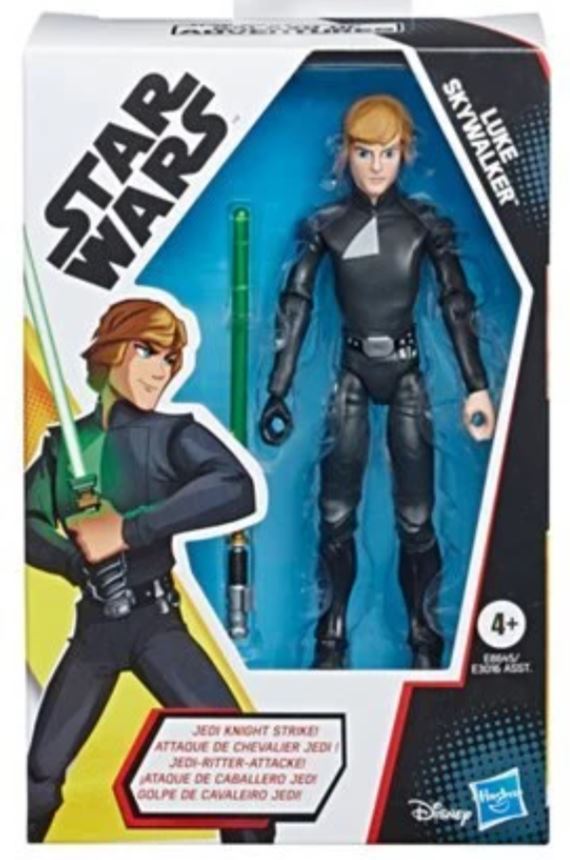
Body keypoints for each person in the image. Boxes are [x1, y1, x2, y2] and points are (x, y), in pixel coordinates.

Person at [260, 95, 495, 671]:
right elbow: (297, 304)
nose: (375, 166)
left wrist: (476, 385)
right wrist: (278, 389)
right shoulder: (328, 226)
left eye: (387, 153)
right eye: (364, 152)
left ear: (404, 154)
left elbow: (456, 304)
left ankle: (424, 639)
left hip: (408, 374)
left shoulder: (423, 225)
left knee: (416, 519)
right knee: (336, 514)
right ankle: (331, 636)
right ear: (345, 153)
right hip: (352, 374)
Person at [26, 298, 274, 843]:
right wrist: (73, 558)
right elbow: (21, 523)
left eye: (170, 358)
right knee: (37, 782)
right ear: (111, 350)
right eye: (147, 350)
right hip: (95, 631)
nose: (161, 370)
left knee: (243, 778)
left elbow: (236, 487)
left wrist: (130, 529)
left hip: (156, 624)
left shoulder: (173, 435)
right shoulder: (65, 447)